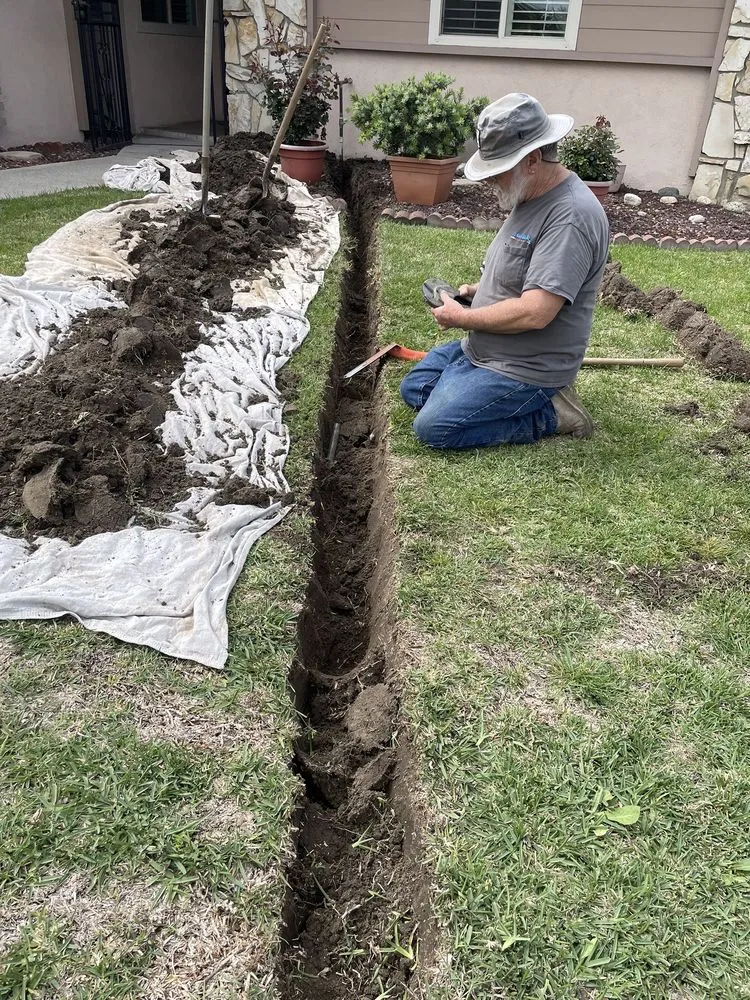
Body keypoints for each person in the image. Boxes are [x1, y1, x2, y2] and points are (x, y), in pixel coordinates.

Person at [400, 92, 610, 449]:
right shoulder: (531, 193)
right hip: (483, 350)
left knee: (435, 428)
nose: (490, 181)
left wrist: (460, 319)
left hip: (524, 367)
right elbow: (524, 272)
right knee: (415, 388)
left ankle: (555, 413)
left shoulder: (570, 218)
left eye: (498, 171)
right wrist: (473, 292)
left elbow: (536, 312)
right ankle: (470, 385)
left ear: (531, 159)